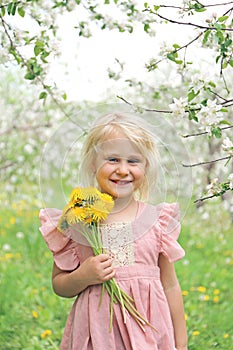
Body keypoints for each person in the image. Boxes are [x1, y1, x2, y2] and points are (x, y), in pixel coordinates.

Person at [39, 112, 188, 350]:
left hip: (148, 331)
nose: (122, 170)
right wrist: (83, 276)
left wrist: (180, 343)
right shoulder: (78, 218)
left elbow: (170, 285)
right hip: (98, 335)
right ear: (92, 163)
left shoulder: (156, 220)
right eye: (112, 159)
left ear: (146, 166)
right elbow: (59, 284)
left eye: (133, 161)